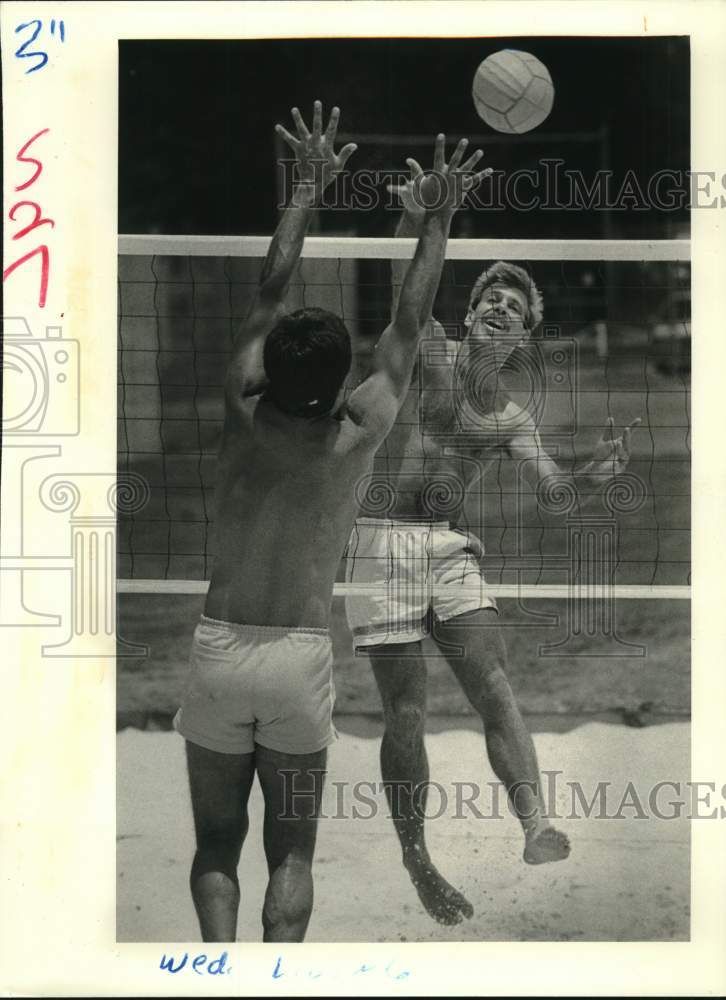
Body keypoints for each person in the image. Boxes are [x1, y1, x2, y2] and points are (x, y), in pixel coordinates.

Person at [174, 102, 488, 943]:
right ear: (339, 378)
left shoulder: (242, 413)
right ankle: (280, 978)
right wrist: (438, 217)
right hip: (300, 663)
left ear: (268, 368)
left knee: (214, 845)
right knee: (292, 857)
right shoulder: (358, 433)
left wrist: (308, 186)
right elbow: (411, 324)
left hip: (220, 646)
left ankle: (219, 974)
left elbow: (271, 284)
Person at [344, 160, 641, 926]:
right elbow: (403, 278)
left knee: (497, 688)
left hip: (447, 548)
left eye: (516, 307)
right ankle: (418, 858)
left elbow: (552, 493)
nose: (502, 309)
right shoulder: (430, 347)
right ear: (472, 316)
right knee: (406, 714)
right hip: (380, 544)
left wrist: (592, 475)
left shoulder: (511, 418)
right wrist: (419, 218)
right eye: (493, 299)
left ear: (522, 338)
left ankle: (536, 821)